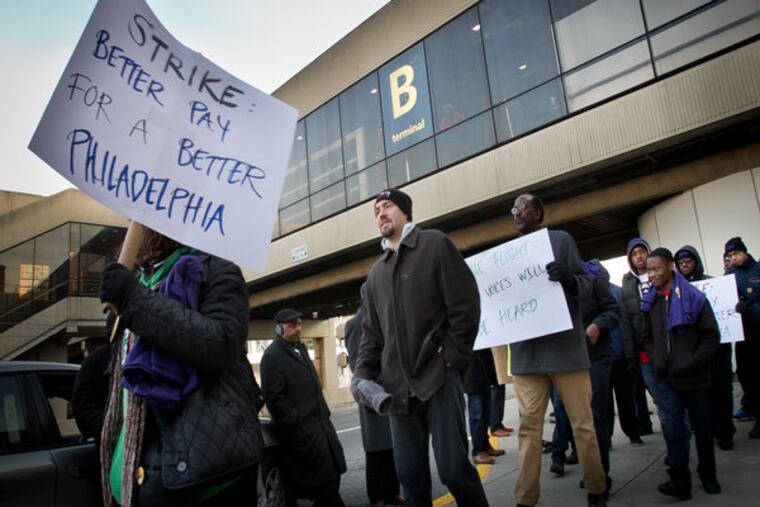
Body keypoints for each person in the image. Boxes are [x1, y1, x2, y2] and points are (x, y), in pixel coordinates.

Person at [98, 229, 263, 507]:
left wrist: (134, 300)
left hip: (208, 479)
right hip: (135, 481)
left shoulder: (216, 269)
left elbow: (221, 344)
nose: (134, 231)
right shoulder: (140, 282)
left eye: (142, 223)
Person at [354, 188, 489, 507]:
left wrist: (452, 360)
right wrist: (361, 375)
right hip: (398, 393)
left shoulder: (435, 244)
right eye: (376, 211)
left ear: (406, 212)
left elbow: (465, 306)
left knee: (454, 471)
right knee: (412, 479)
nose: (381, 214)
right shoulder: (376, 274)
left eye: (387, 207)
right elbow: (371, 336)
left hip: (439, 380)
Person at [508, 193, 607, 507]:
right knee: (528, 429)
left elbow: (586, 284)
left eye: (522, 207)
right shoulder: (506, 255)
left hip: (565, 351)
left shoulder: (561, 241)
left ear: (538, 212)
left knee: (582, 424)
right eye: (513, 209)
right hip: (527, 356)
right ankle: (525, 499)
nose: (516, 213)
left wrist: (569, 280)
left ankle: (596, 489)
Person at [641, 248, 721, 499]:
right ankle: (680, 481)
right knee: (674, 430)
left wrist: (693, 362)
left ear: (669, 267)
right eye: (648, 270)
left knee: (703, 430)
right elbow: (646, 337)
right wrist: (656, 359)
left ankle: (708, 474)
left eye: (656, 269)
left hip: (695, 378)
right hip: (667, 378)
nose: (651, 274)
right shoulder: (650, 302)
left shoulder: (695, 298)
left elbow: (711, 336)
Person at [260, 308, 347, 507]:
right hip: (303, 434)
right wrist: (295, 422)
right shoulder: (273, 356)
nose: (298, 328)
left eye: (299, 324)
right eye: (292, 325)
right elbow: (274, 399)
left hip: (322, 429)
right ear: (279, 329)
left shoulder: (300, 349)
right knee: (326, 486)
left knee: (333, 476)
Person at [551, 259, 620, 491]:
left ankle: (600, 476)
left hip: (596, 356)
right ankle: (575, 461)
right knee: (569, 414)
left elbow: (613, 310)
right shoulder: (548, 282)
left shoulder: (594, 277)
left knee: (595, 415)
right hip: (566, 360)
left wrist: (598, 326)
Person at [345, 285, 404, 507]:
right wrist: (377, 384)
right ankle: (377, 496)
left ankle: (392, 491)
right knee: (376, 450)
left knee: (393, 447)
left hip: (392, 392)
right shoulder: (353, 324)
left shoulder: (385, 317)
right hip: (371, 393)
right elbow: (355, 364)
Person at [675, 245, 735, 450]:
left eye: (688, 260)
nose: (684, 265)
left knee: (722, 393)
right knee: (703, 398)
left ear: (696, 261)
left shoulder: (713, 283)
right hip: (696, 352)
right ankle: (707, 432)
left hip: (718, 349)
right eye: (680, 262)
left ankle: (725, 434)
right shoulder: (677, 290)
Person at [619, 238, 656, 435]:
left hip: (666, 349)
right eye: (634, 254)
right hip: (643, 352)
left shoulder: (660, 277)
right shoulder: (628, 286)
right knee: (658, 395)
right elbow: (626, 322)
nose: (639, 256)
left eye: (642, 251)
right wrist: (630, 354)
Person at [725, 237, 760, 438]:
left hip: (758, 332)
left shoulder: (757, 271)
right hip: (742, 336)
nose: (734, 258)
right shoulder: (729, 276)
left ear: (744, 252)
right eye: (730, 255)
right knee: (747, 377)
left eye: (736, 254)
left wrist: (751, 308)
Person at [606, 280, 642, 446]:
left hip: (617, 355)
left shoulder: (618, 292)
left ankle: (629, 432)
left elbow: (627, 323)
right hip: (608, 356)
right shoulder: (618, 291)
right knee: (609, 401)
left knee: (623, 399)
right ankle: (624, 434)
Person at [465, 348, 506, 465]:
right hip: (472, 366)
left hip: (484, 363)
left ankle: (485, 445)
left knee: (487, 411)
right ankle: (478, 450)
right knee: (478, 413)